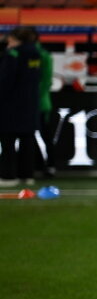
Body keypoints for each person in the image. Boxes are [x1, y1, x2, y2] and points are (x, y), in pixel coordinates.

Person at [0, 27, 44, 187]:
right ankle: (27, 175)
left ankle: (8, 176)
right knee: (27, 140)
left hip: (11, 104)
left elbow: (5, 80)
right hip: (30, 102)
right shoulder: (36, 54)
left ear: (16, 39)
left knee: (8, 141)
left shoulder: (13, 54)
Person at [25, 27, 56, 178]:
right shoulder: (38, 54)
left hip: (38, 103)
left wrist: (34, 98)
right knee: (38, 136)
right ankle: (44, 165)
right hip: (37, 101)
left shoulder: (40, 55)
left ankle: (47, 165)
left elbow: (45, 80)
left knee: (41, 135)